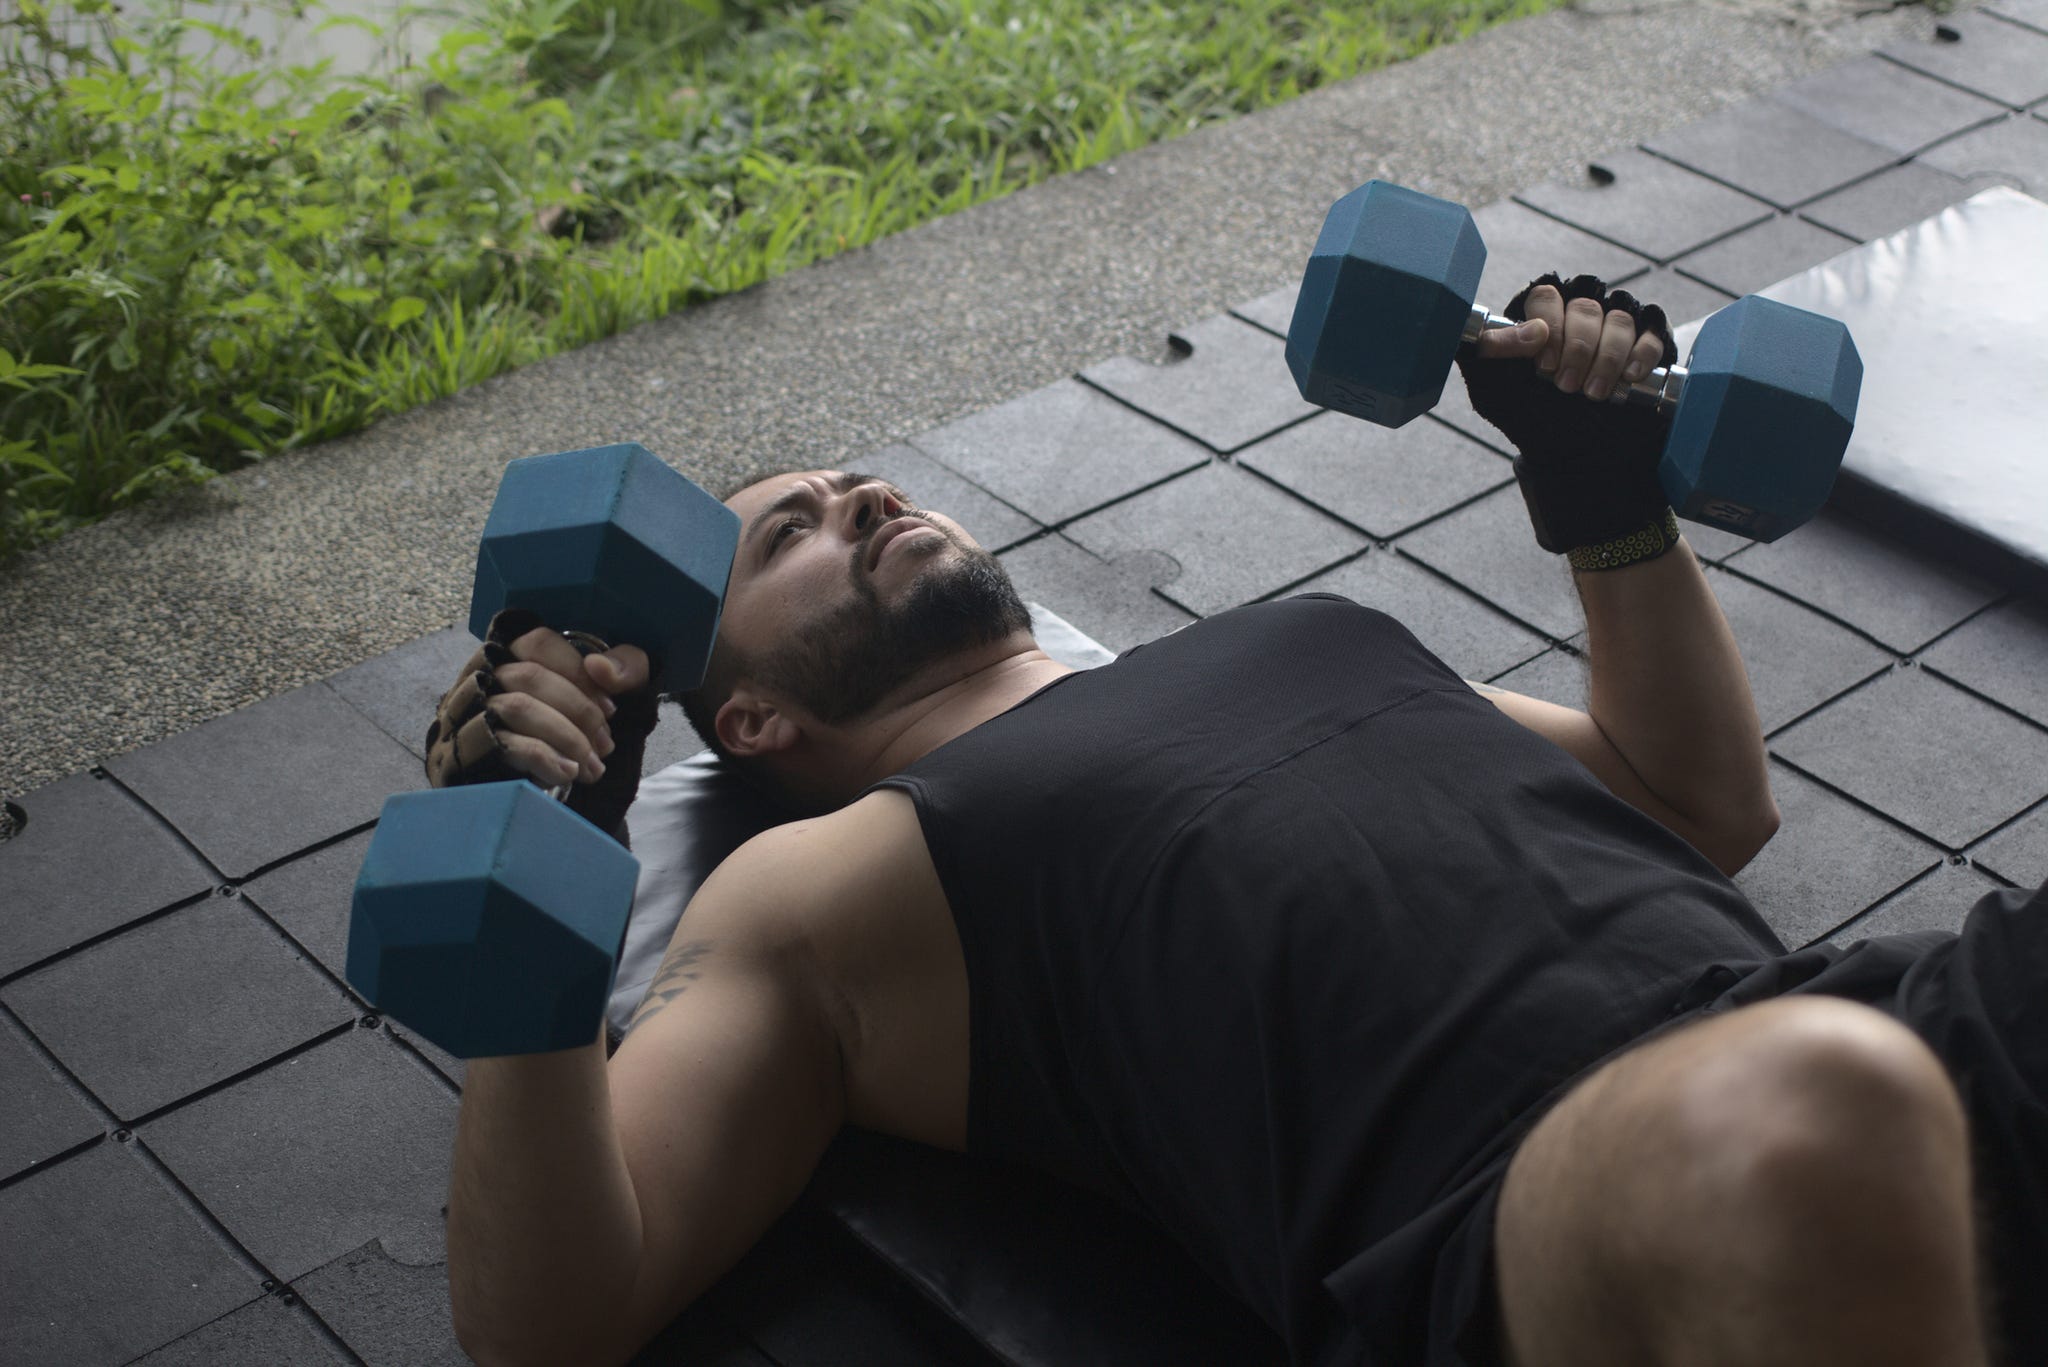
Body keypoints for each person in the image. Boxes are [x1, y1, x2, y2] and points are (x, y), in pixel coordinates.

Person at [426, 277, 2043, 1367]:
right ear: (752, 718)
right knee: (1800, 1112)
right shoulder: (819, 884)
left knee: (1840, 1073)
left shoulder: (1300, 636)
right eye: (795, 532)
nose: (861, 499)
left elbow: (1697, 799)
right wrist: (546, 862)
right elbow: (555, 1312)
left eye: (860, 481)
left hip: (1858, 1020)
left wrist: (1606, 501)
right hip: (1521, 1209)